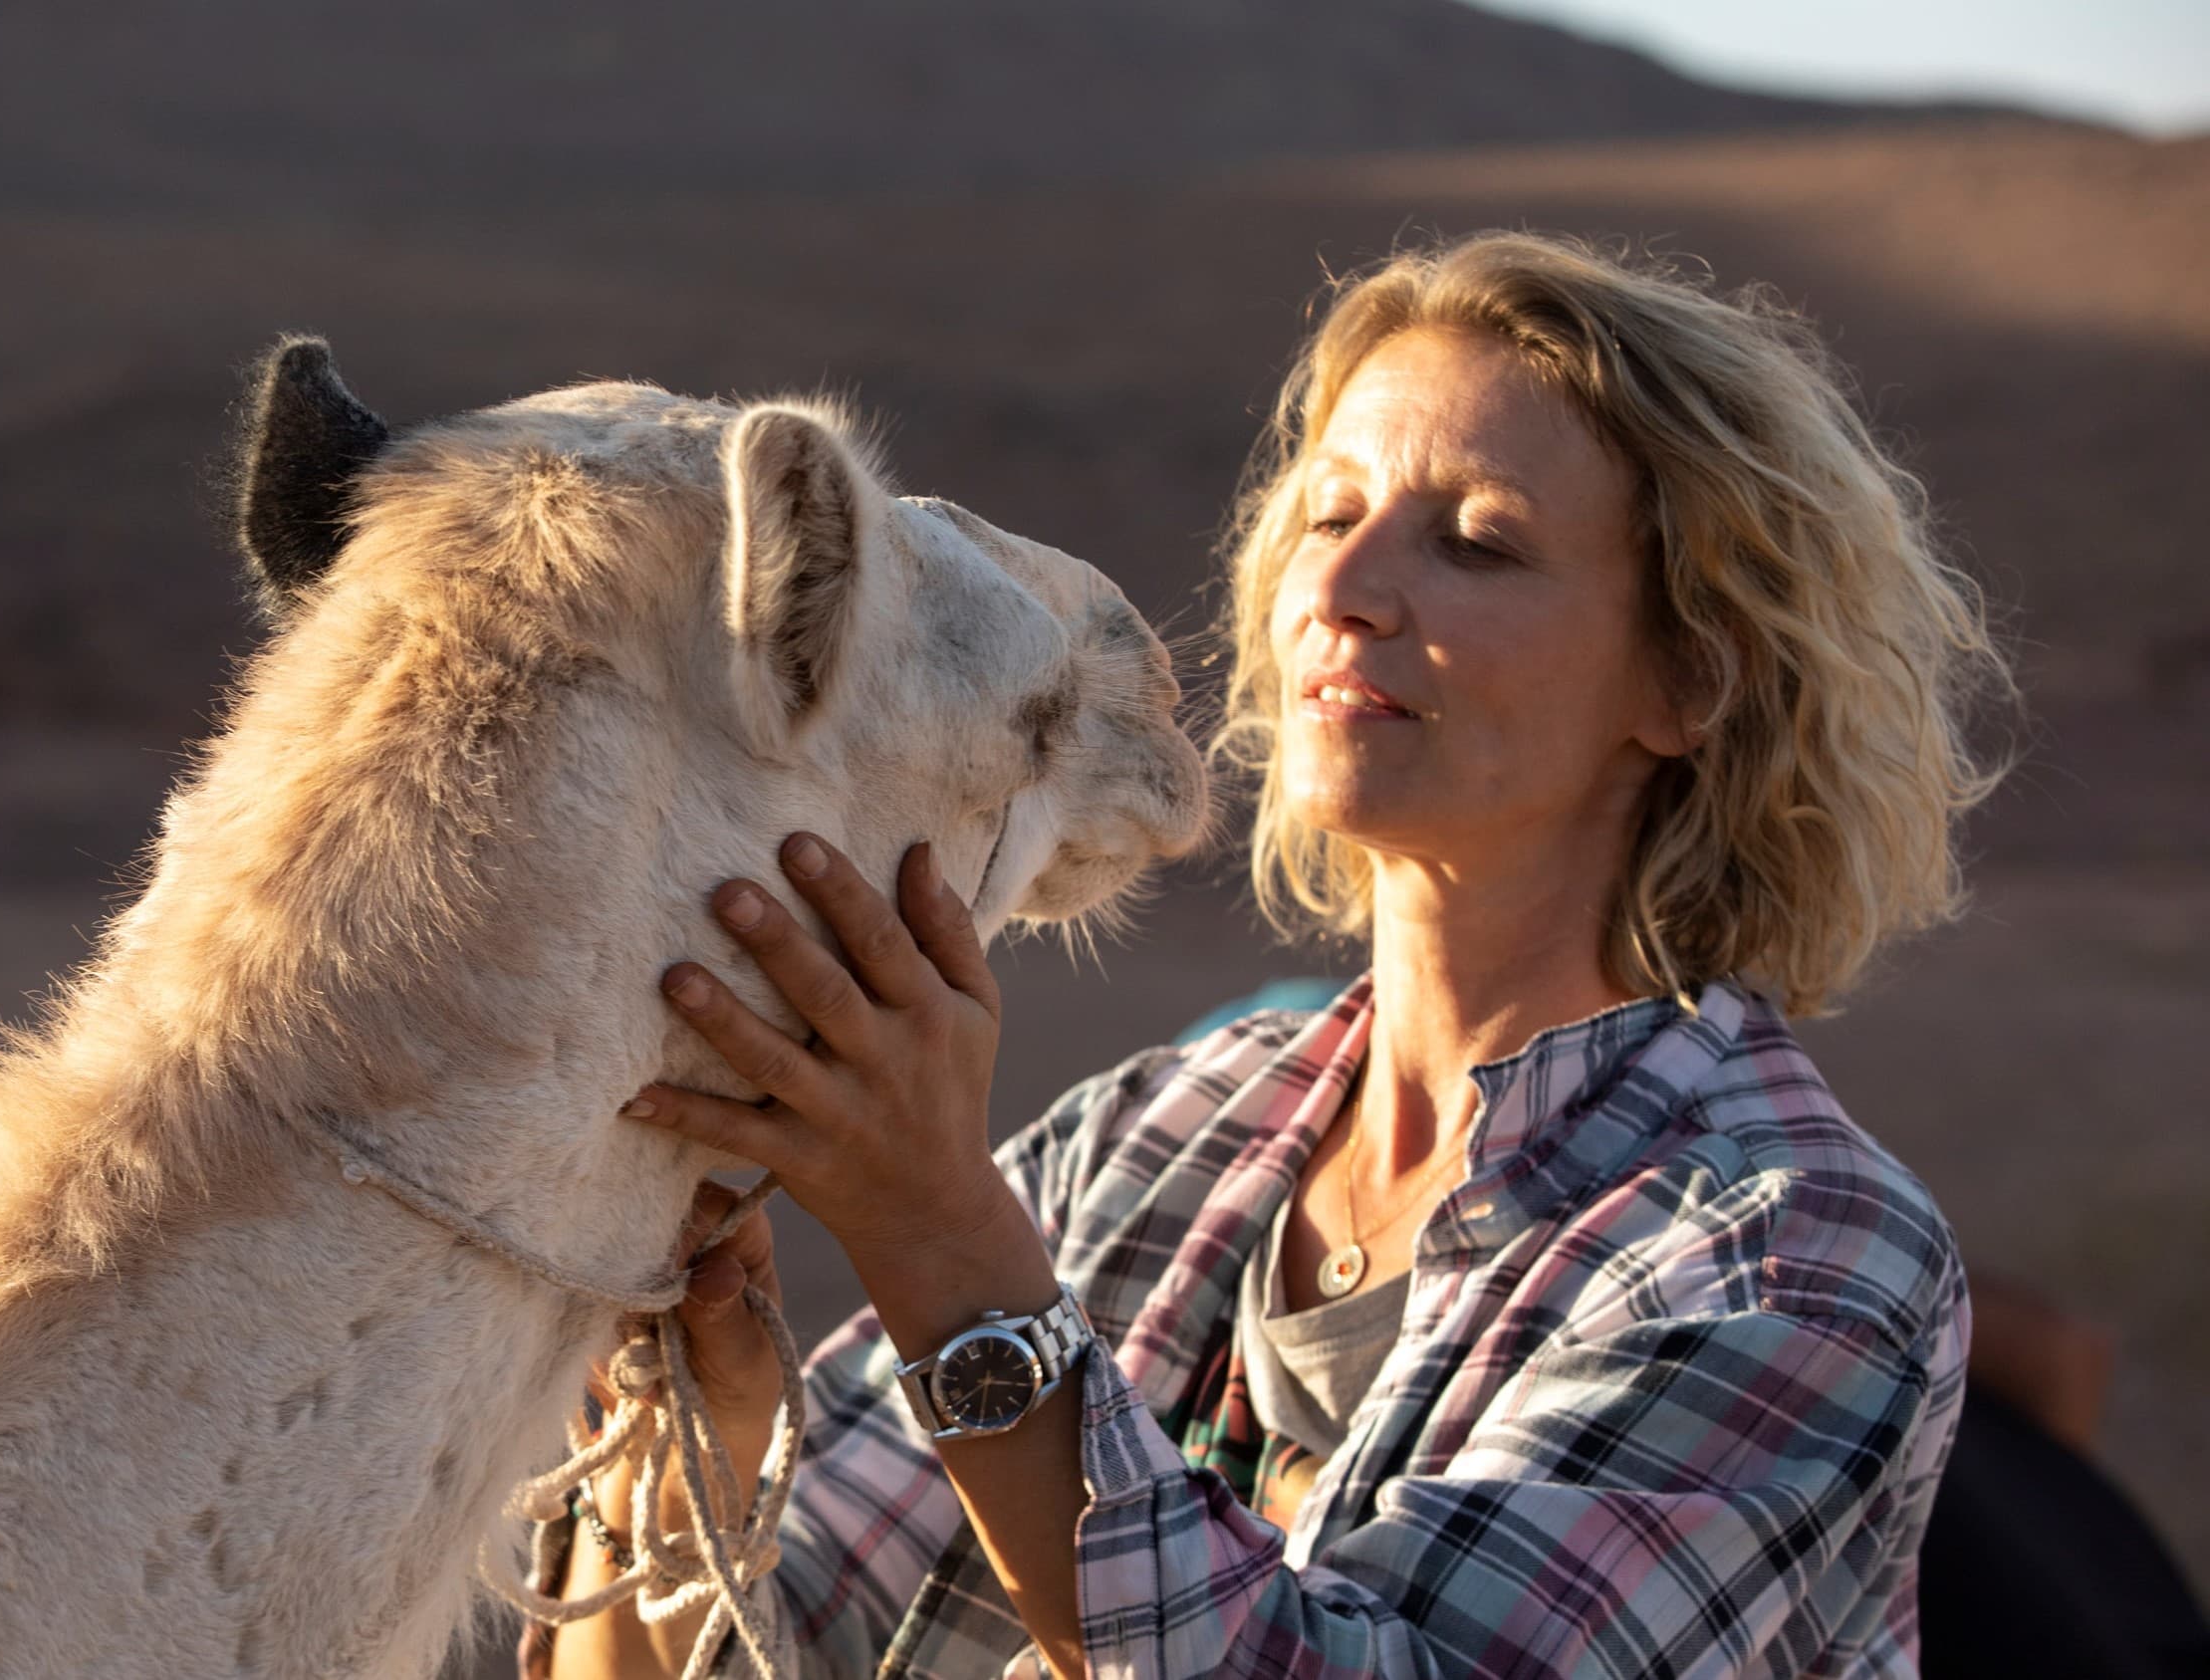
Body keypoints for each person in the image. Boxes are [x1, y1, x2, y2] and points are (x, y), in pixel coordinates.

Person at [544, 231, 2014, 1678]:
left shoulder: (1790, 1250)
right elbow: (750, 1646)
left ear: (1692, 677)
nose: (1344, 588)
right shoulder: (1162, 1129)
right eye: (1328, 515)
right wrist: (698, 1434)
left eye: (1480, 543)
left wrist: (938, 1234)